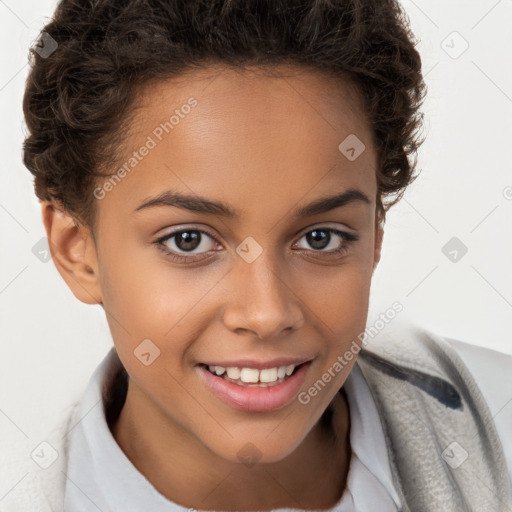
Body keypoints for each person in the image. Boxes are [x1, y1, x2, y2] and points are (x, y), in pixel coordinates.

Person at [6, 0, 510, 511]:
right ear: (77, 251)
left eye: (321, 238)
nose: (267, 314)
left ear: (375, 235)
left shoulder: (497, 427)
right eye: (189, 240)